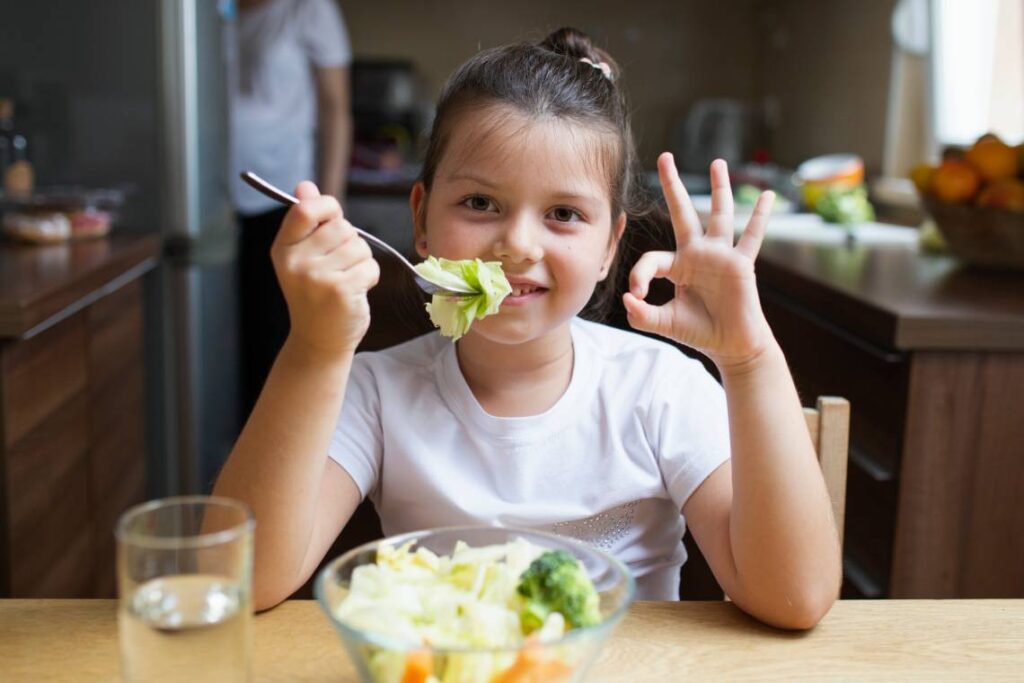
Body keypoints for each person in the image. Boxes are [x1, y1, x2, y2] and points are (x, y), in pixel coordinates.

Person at [213, 27, 841, 629]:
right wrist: (316, 348)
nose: (517, 245)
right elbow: (236, 581)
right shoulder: (375, 392)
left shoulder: (659, 389)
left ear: (608, 248)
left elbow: (795, 597)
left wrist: (749, 360)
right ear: (422, 219)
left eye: (564, 214)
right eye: (480, 203)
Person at [229, 0, 353, 414]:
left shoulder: (308, 9)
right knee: (226, 339)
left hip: (281, 198)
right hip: (211, 203)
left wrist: (329, 205)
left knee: (273, 335)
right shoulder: (207, 10)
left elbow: (336, 109)